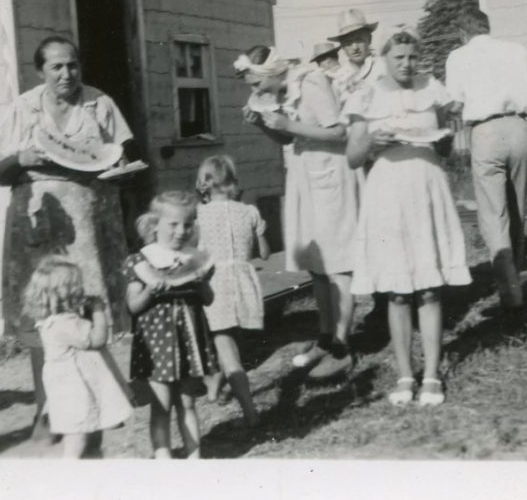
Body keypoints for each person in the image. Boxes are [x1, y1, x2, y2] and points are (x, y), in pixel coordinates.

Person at [0, 36, 133, 442]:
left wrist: (119, 163)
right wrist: (20, 160)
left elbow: (120, 155)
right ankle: (47, 409)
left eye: (72, 65)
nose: (66, 74)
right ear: (41, 71)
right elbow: (0, 172)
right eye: (56, 67)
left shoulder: (100, 103)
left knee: (89, 310)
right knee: (47, 315)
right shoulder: (24, 108)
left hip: (89, 219)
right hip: (39, 222)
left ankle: (98, 403)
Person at [344, 29, 472, 406]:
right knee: (398, 292)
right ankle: (404, 373)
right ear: (385, 58)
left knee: (429, 286)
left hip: (426, 185)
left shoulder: (432, 87)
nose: (406, 64)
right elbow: (352, 157)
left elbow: (445, 147)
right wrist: (372, 143)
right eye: (399, 57)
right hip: (386, 190)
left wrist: (451, 127)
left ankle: (431, 373)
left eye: (412, 57)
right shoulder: (366, 93)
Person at [238, 46, 360, 379]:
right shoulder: (286, 89)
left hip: (332, 176)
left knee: (338, 265)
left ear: (270, 73)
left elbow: (340, 132)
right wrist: (265, 126)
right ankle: (325, 337)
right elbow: (287, 138)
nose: (255, 92)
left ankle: (342, 348)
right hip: (307, 177)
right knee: (317, 266)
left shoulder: (311, 81)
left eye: (255, 84)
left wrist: (287, 123)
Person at [444, 11, 527, 312]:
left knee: (493, 217)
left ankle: (511, 295)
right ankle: (516, 282)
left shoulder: (458, 56)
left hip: (486, 132)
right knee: (517, 212)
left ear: (463, 32)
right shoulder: (517, 50)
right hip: (520, 129)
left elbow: (456, 104)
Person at [125, 191, 217, 459]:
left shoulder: (196, 257)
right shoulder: (140, 260)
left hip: (189, 341)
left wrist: (200, 281)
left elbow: (208, 299)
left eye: (188, 225)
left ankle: (194, 457)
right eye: (173, 225)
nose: (181, 231)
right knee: (161, 405)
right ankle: (163, 459)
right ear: (154, 225)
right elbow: (133, 305)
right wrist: (151, 291)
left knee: (188, 403)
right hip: (157, 346)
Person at [22, 255, 134, 458]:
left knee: (92, 435)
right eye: (74, 285)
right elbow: (98, 338)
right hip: (75, 392)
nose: (80, 289)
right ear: (56, 294)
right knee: (78, 439)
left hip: (81, 388)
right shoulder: (63, 324)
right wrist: (99, 311)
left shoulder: (59, 320)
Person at [195, 155, 270, 427]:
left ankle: (250, 412)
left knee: (225, 345)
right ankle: (215, 384)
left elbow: (198, 254)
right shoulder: (249, 211)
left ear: (204, 184)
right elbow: (264, 253)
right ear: (233, 182)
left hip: (215, 284)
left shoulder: (200, 214)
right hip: (243, 282)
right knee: (225, 338)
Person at [327, 9, 389, 333]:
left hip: (384, 155)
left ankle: (393, 300)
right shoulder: (336, 78)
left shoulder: (381, 69)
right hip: (352, 159)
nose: (355, 47)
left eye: (359, 39)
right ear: (341, 45)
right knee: (365, 230)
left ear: (369, 38)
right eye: (348, 41)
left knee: (388, 228)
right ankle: (378, 302)